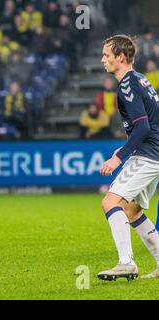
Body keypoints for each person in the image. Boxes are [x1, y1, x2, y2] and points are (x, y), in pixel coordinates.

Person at [98, 34, 159, 281]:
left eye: (106, 55)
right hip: (154, 153)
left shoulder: (127, 85)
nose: (103, 60)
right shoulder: (140, 80)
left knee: (110, 203)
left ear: (121, 57)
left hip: (148, 155)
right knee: (133, 211)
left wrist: (119, 158)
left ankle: (126, 263)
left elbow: (143, 128)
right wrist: (124, 149)